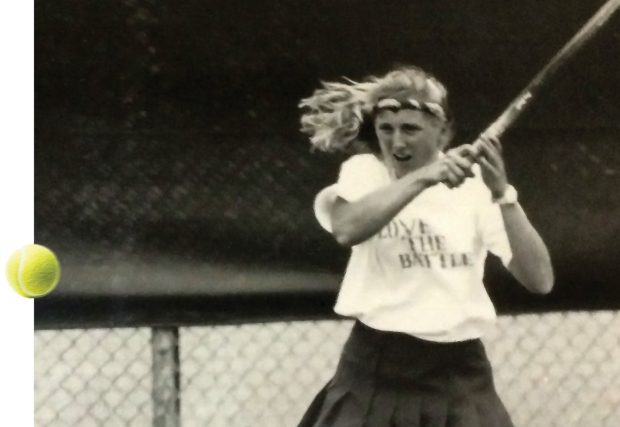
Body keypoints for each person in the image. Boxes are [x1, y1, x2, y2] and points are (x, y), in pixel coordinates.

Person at [296, 66, 554, 427]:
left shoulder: (476, 186)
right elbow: (347, 229)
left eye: (410, 129)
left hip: (459, 373)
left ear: (443, 131)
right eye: (386, 129)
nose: (397, 142)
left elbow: (539, 280)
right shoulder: (365, 171)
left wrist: (503, 195)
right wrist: (426, 177)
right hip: (375, 368)